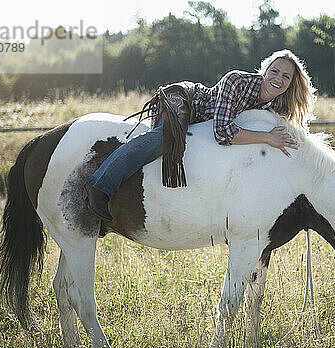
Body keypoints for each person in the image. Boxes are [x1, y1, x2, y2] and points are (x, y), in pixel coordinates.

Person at [85, 49, 316, 222]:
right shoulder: (236, 81)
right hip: (187, 101)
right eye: (274, 71)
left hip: (204, 121)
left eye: (286, 76)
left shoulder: (276, 107)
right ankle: (100, 186)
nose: (278, 78)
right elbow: (222, 133)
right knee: (163, 140)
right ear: (264, 72)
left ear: (291, 83)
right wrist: (267, 137)